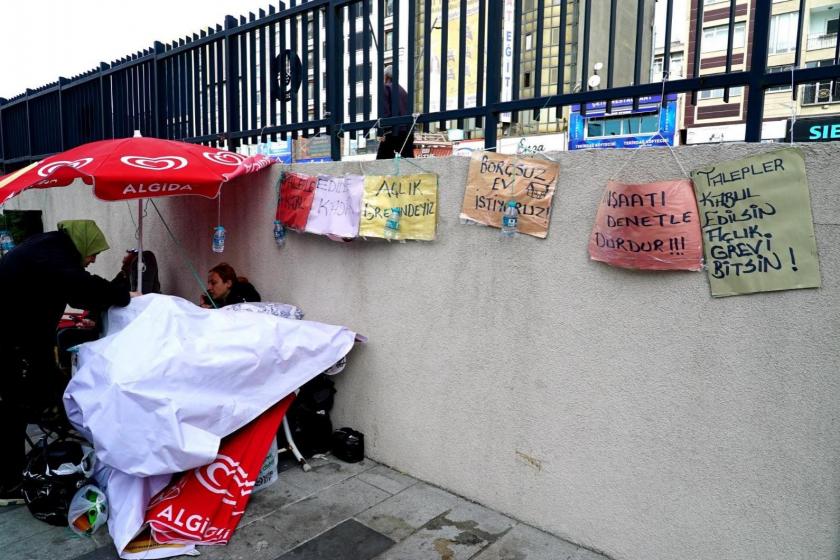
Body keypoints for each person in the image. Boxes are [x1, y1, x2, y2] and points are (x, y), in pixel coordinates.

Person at [0, 220, 132, 505]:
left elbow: (76, 291)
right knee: (14, 407)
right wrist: (122, 293)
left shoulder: (51, 248)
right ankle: (7, 484)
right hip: (12, 337)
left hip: (24, 336)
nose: (94, 258)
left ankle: (52, 420)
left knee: (42, 385)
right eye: (93, 252)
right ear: (82, 244)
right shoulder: (54, 255)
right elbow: (82, 289)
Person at [376, 65, 415, 160]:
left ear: (386, 77)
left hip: (393, 132)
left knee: (381, 165)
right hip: (407, 132)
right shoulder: (404, 91)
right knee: (407, 164)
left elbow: (385, 113)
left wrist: (382, 132)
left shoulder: (386, 88)